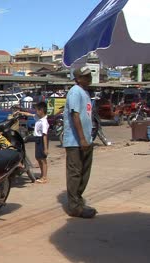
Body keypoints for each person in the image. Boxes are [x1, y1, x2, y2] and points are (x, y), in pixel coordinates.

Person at [63, 66, 97, 219]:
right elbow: (75, 115)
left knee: (84, 173)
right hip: (75, 141)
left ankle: (78, 200)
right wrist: (82, 138)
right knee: (75, 173)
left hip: (86, 140)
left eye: (90, 75)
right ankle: (74, 207)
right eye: (86, 76)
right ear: (78, 79)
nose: (89, 78)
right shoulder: (75, 91)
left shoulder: (85, 93)